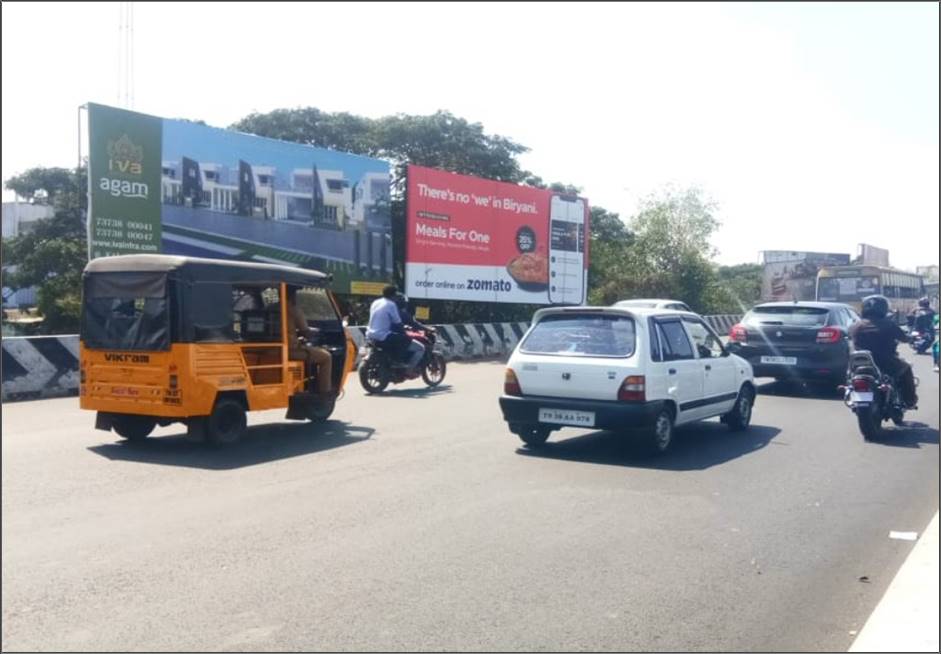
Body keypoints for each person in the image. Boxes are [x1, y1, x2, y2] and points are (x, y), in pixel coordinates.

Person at [849, 294, 917, 408]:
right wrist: (910, 338)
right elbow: (904, 338)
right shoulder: (889, 324)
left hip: (860, 363)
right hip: (885, 362)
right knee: (906, 369)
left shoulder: (855, 325)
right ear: (883, 308)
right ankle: (910, 400)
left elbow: (848, 336)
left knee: (850, 378)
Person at [286, 287, 334, 396]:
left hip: (271, 349)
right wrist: (312, 333)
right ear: (293, 295)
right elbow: (306, 332)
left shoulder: (271, 308)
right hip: (290, 350)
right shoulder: (293, 309)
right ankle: (325, 393)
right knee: (326, 357)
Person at [367, 285, 424, 372]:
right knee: (406, 339)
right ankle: (399, 362)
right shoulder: (391, 305)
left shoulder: (376, 302)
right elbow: (398, 323)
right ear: (393, 295)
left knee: (398, 338)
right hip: (383, 335)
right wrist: (404, 333)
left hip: (370, 334)